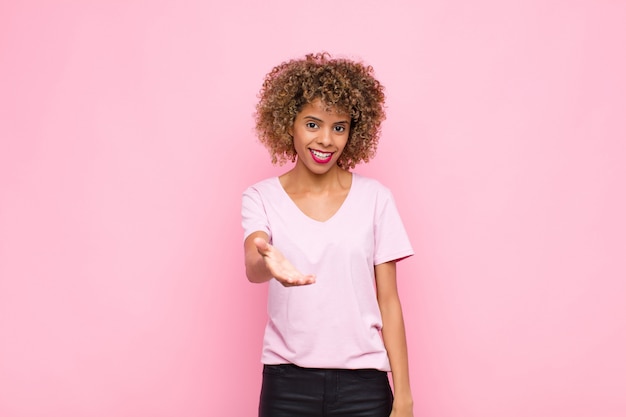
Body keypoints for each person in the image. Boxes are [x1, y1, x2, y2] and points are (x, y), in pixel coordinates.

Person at [242, 52, 414, 417]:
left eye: (339, 127)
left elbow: (389, 301)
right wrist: (268, 263)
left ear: (354, 132)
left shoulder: (376, 199)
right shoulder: (261, 197)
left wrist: (404, 396)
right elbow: (253, 265)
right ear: (289, 123)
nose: (326, 140)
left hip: (364, 387)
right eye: (313, 124)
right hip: (287, 385)